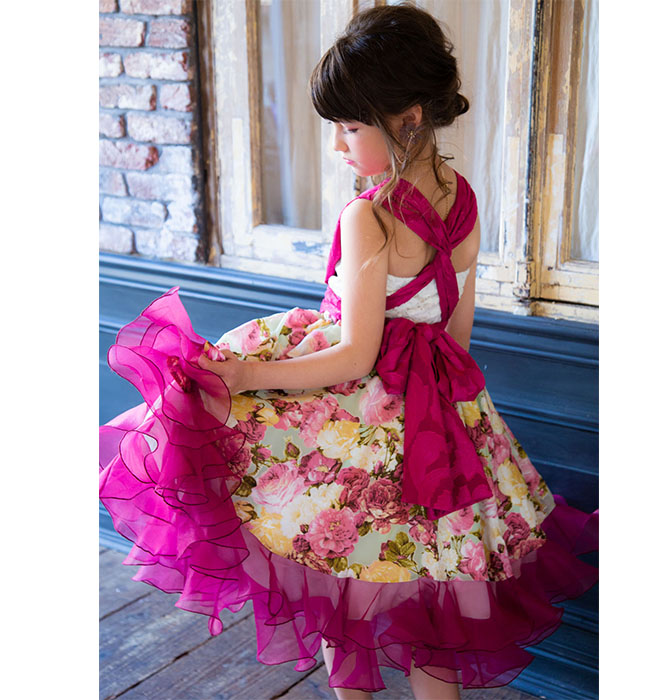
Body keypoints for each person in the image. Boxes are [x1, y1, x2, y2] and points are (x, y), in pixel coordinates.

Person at [99, 4, 598, 699]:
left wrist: (244, 374)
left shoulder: (369, 215)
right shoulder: (463, 200)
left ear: (409, 118)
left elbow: (356, 356)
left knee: (335, 577)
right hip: (445, 415)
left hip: (364, 413)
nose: (337, 143)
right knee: (435, 591)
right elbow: (456, 335)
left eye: (351, 126)